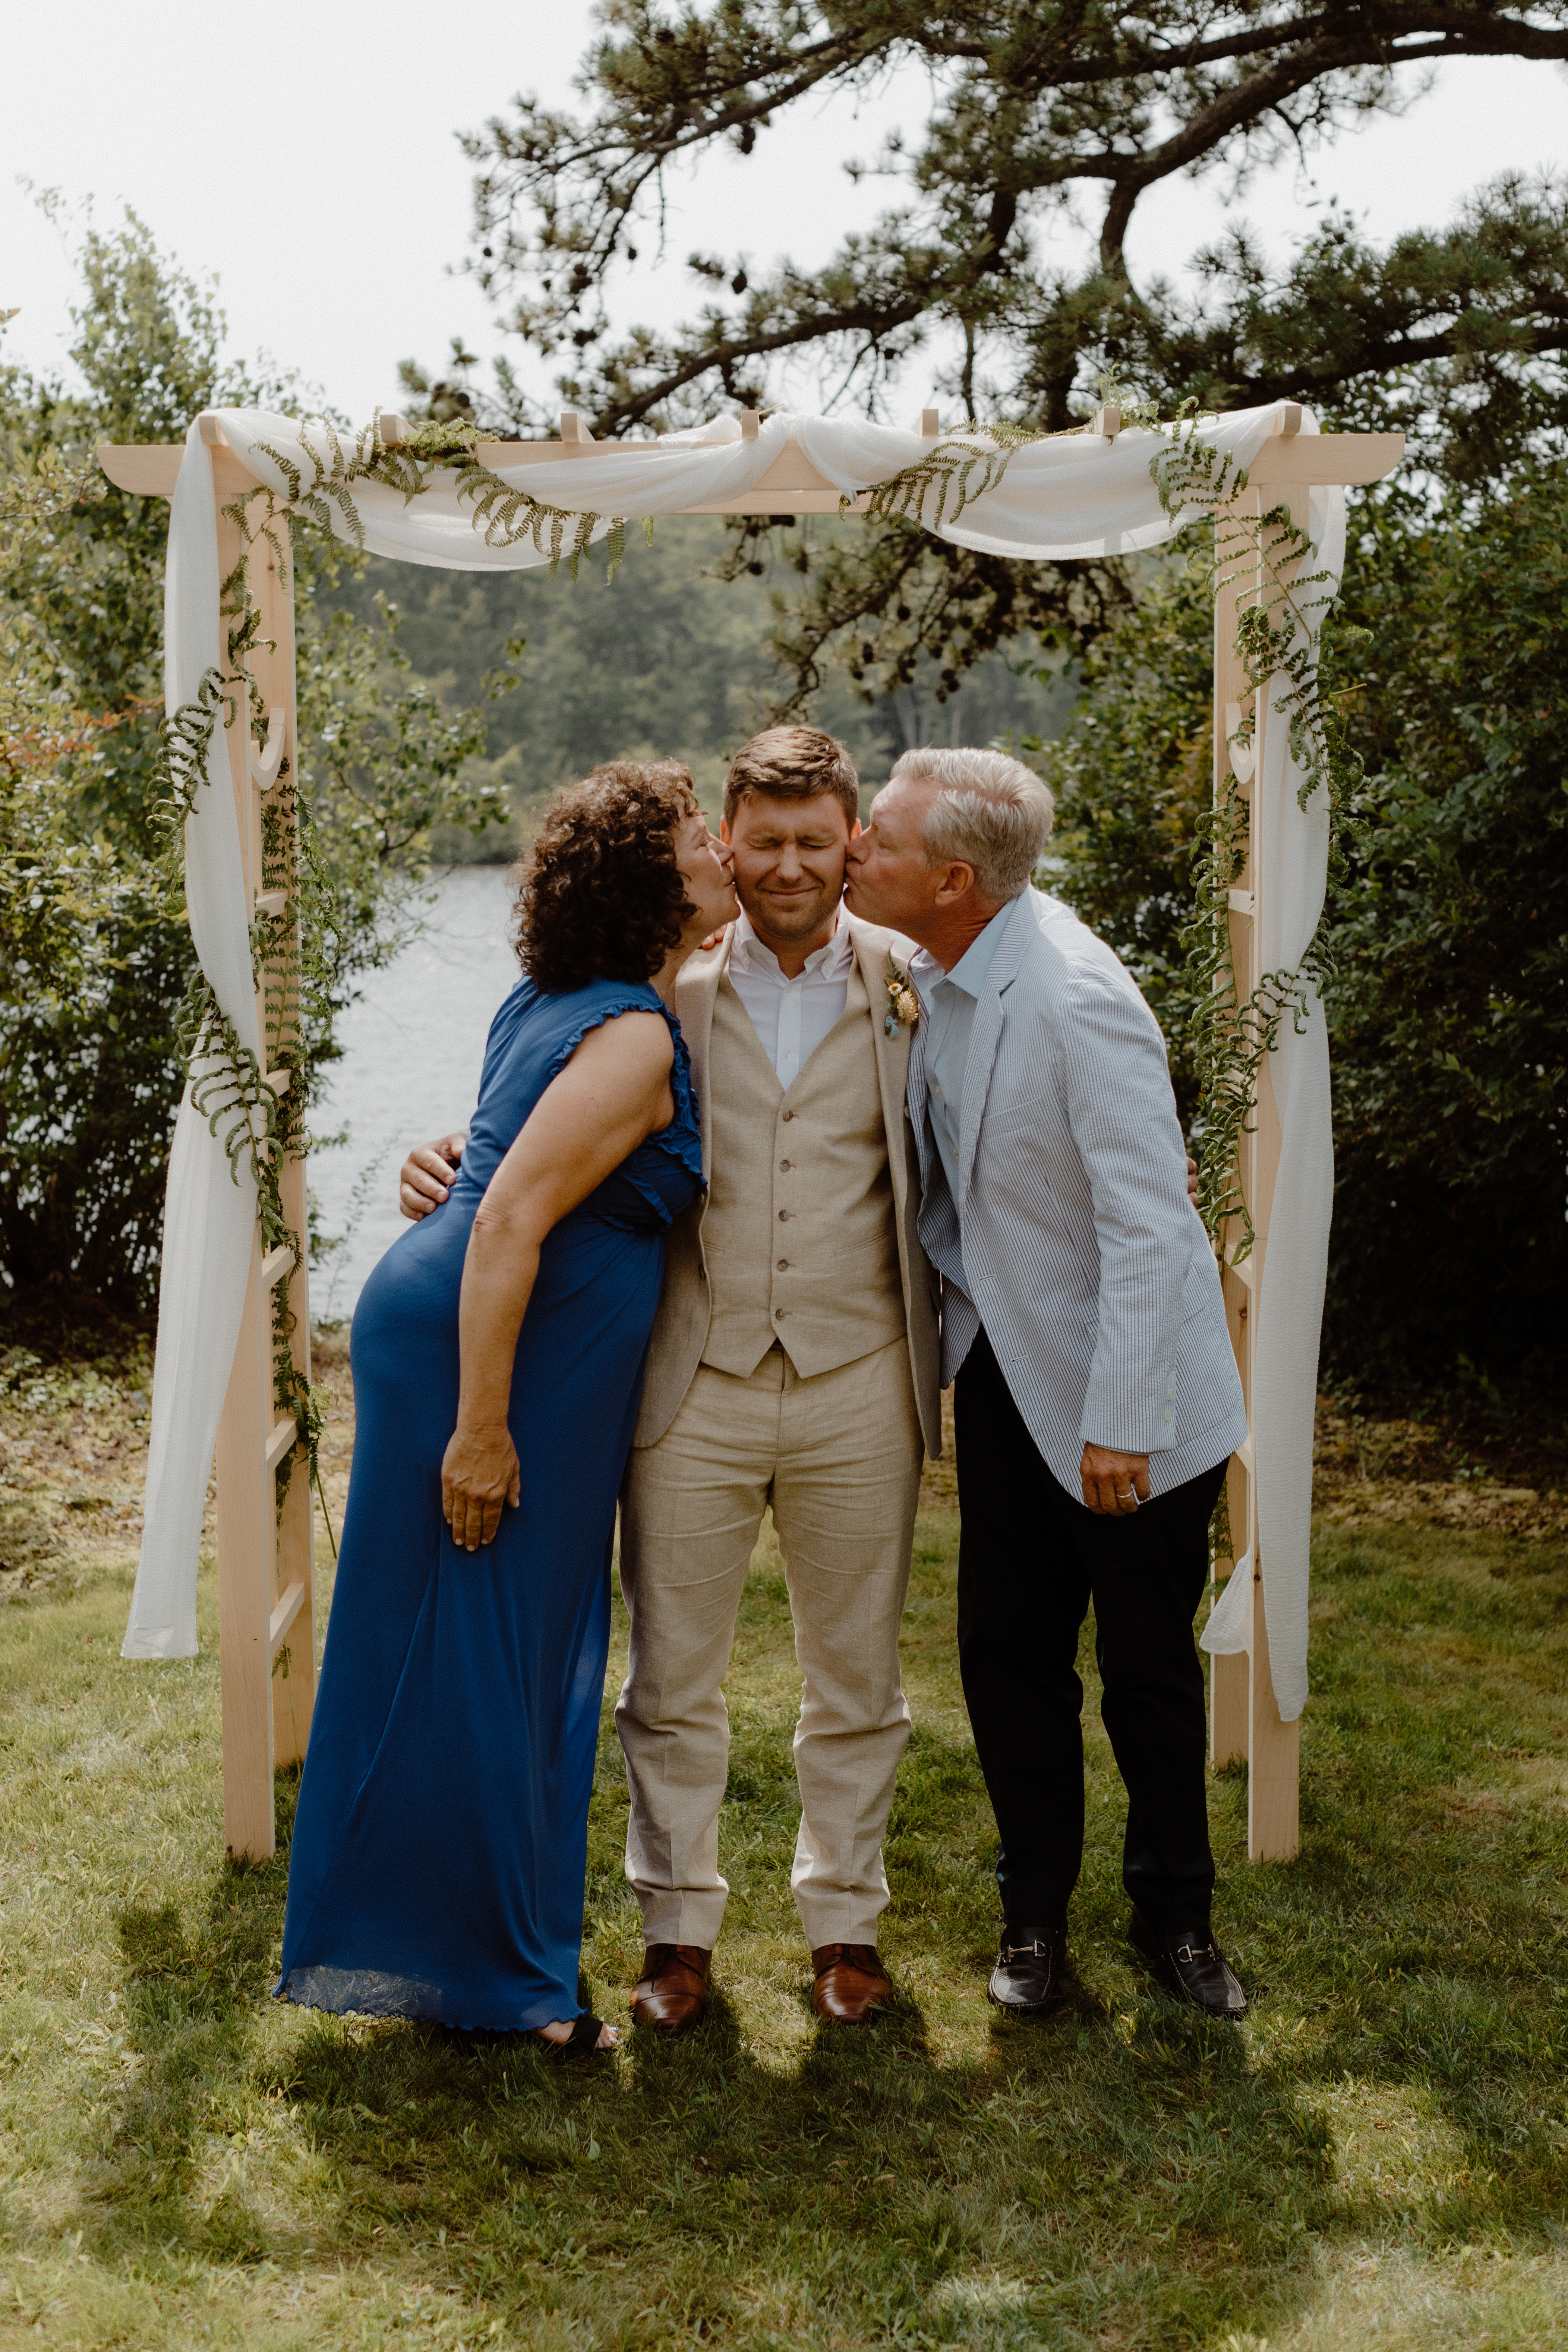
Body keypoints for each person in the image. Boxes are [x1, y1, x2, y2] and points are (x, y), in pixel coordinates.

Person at [403, 726, 942, 2031]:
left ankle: (844, 1931)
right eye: (764, 841)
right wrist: (447, 1161)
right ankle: (677, 1935)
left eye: (818, 840)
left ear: (854, 837)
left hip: (860, 1369)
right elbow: (545, 1111)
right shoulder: (666, 988)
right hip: (690, 1376)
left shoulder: (915, 981)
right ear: (733, 847)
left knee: (857, 1676)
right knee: (670, 1678)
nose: (792, 865)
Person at [275, 762, 737, 2050]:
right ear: (656, 877)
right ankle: (504, 1986)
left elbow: (492, 1168)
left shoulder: (560, 998)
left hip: (489, 1340)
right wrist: (485, 1428)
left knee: (463, 1657)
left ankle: (443, 1953)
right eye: (703, 837)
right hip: (498, 1362)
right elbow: (514, 1214)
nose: (723, 855)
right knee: (496, 1664)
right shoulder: (635, 1030)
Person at [844, 746, 1252, 2019]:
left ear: (954, 878)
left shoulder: (1077, 997)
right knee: (1009, 1659)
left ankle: (1177, 1920)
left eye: (880, 839)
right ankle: (1032, 1924)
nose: (855, 847)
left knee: (1145, 1670)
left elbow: (1147, 1223)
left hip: (1135, 1398)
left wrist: (1120, 1422)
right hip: (1006, 1376)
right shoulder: (933, 964)